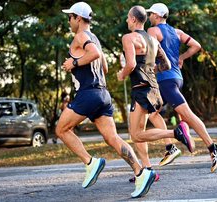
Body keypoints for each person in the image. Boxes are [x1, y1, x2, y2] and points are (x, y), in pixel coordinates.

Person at [58, 2, 155, 198]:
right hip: (102, 94)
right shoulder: (95, 38)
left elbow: (93, 54)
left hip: (88, 93)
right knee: (112, 138)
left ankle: (90, 162)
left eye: (70, 17)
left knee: (61, 129)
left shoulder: (81, 36)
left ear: (78, 18)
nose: (68, 21)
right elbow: (105, 68)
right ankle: (141, 173)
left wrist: (74, 63)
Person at [116, 5, 195, 180]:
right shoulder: (153, 40)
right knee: (139, 132)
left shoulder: (129, 38)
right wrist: (150, 71)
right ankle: (147, 170)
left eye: (128, 18)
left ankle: (176, 133)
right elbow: (166, 64)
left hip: (141, 90)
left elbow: (130, 65)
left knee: (135, 134)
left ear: (134, 19)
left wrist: (121, 74)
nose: (127, 21)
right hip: (153, 88)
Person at [146, 3, 217, 172]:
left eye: (151, 14)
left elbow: (151, 55)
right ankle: (170, 148)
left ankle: (213, 147)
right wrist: (181, 57)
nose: (149, 17)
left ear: (158, 16)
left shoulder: (153, 31)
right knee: (152, 113)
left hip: (165, 80)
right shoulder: (177, 32)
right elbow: (196, 46)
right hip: (176, 77)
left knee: (187, 115)